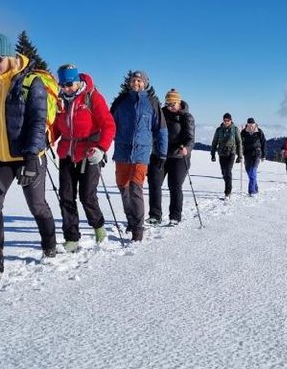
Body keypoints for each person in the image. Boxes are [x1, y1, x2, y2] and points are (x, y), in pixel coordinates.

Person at [0, 33, 57, 277]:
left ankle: (50, 245)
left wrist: (32, 157)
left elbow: (37, 122)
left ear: (10, 57)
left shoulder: (32, 83)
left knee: (37, 205)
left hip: (27, 156)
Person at [50, 64, 116, 252]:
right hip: (67, 152)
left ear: (78, 82)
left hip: (89, 151)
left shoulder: (92, 97)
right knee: (66, 196)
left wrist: (101, 148)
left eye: (69, 84)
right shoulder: (60, 100)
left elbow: (109, 125)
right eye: (62, 85)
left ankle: (98, 227)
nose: (66, 88)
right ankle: (72, 238)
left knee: (87, 195)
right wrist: (47, 140)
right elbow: (55, 127)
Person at [110, 70, 168, 241]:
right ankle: (131, 220)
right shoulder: (121, 101)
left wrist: (162, 153)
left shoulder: (152, 102)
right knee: (123, 187)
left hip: (142, 152)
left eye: (139, 81)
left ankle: (138, 229)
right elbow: (109, 124)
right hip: (122, 151)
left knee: (136, 188)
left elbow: (161, 129)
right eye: (134, 80)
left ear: (145, 83)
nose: (136, 83)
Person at [147, 89, 195, 226]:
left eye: (172, 103)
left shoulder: (186, 117)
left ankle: (175, 216)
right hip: (159, 153)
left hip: (179, 155)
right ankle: (155, 216)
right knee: (154, 183)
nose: (170, 106)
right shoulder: (161, 113)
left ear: (178, 102)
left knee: (174, 185)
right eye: (167, 103)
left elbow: (191, 138)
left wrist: (187, 148)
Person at [211, 113, 242, 199]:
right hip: (221, 153)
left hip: (231, 153)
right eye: (225, 120)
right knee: (224, 172)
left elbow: (239, 143)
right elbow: (214, 142)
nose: (226, 122)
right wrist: (212, 154)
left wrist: (239, 155)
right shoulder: (219, 130)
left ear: (231, 120)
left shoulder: (235, 129)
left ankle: (228, 192)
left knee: (228, 171)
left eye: (228, 120)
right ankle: (228, 184)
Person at [240, 117, 266, 196]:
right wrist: (240, 153)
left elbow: (264, 143)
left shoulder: (259, 132)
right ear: (247, 124)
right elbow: (240, 143)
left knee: (252, 172)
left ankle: (251, 191)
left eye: (252, 124)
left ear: (255, 124)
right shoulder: (244, 132)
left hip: (256, 153)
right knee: (248, 171)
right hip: (247, 154)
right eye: (249, 124)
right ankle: (255, 187)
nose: (251, 126)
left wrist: (263, 155)